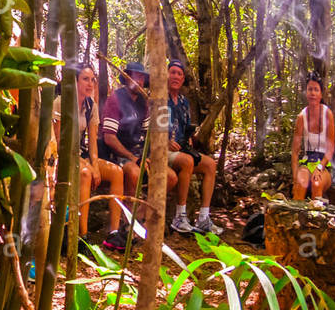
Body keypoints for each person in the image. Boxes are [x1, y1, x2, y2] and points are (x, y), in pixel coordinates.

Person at [99, 60, 179, 250]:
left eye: (142, 77)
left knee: (170, 177)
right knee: (134, 174)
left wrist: (148, 155)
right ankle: (126, 225)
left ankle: (139, 216)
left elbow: (147, 135)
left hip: (138, 153)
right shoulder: (115, 99)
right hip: (117, 155)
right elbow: (109, 138)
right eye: (136, 76)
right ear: (126, 78)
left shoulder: (144, 103)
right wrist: (133, 157)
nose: (140, 81)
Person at [67, 65, 124, 239]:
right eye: (85, 79)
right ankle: (82, 235)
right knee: (85, 175)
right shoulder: (61, 103)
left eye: (92, 79)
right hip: (63, 156)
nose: (90, 83)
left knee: (117, 172)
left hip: (81, 154)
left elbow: (92, 142)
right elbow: (59, 144)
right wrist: (87, 166)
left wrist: (95, 165)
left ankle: (114, 232)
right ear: (75, 81)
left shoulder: (91, 106)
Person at [167, 59, 222, 234]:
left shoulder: (183, 102)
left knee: (210, 165)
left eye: (179, 74)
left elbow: (186, 128)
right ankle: (179, 217)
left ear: (183, 79)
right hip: (162, 150)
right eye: (172, 72)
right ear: (166, 75)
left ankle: (204, 218)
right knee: (187, 162)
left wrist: (189, 139)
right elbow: (150, 128)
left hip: (181, 149)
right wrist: (165, 141)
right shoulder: (159, 98)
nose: (175, 76)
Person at [292, 73, 334, 201]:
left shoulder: (328, 114)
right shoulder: (301, 117)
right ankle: (294, 219)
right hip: (306, 162)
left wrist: (320, 167)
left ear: (321, 94)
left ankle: (315, 220)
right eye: (310, 89)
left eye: (316, 90)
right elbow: (295, 152)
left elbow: (330, 149)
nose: (313, 93)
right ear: (306, 92)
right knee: (300, 184)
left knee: (316, 183)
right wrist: (295, 178)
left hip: (323, 164)